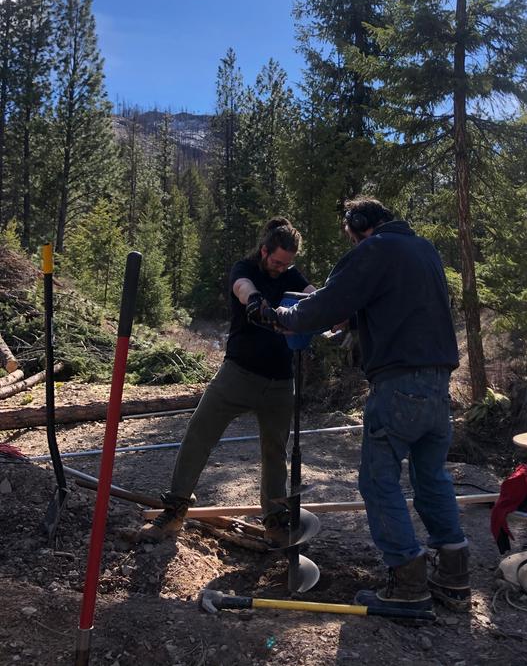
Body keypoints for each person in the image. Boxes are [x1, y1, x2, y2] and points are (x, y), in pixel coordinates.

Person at [274, 197, 469, 612]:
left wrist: (282, 317)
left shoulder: (375, 249)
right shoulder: (424, 249)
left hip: (399, 385)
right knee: (431, 476)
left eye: (351, 234)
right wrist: (359, 320)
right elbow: (406, 305)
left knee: (379, 481)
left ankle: (407, 582)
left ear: (360, 225)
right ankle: (453, 574)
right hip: (439, 385)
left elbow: (327, 302)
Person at [142, 217, 315, 545]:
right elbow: (242, 288)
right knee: (199, 434)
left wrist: (329, 310)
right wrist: (254, 302)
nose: (281, 268)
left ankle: (276, 523)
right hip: (238, 374)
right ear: (264, 251)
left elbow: (312, 294)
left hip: (280, 381)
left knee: (276, 452)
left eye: (287, 263)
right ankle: (174, 512)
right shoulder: (245, 268)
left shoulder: (291, 274)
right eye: (277, 261)